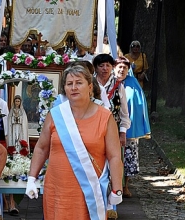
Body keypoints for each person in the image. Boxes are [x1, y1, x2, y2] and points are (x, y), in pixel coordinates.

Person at [25, 65, 123, 219]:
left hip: (89, 190)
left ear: (90, 87)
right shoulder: (56, 115)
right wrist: (31, 178)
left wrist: (117, 189)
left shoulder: (105, 117)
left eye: (79, 83)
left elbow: (114, 156)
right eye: (69, 84)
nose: (74, 87)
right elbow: (41, 148)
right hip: (57, 189)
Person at [93, 53, 131, 218]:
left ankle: (111, 206)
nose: (105, 68)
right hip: (92, 131)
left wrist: (122, 132)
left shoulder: (118, 86)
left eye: (108, 65)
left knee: (113, 167)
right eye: (101, 65)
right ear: (96, 68)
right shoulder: (90, 84)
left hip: (112, 131)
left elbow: (124, 113)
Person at [114, 56, 151, 198]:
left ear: (128, 70)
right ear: (114, 68)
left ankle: (125, 185)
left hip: (128, 127)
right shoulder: (109, 83)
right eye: (119, 67)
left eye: (125, 67)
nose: (122, 70)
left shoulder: (133, 83)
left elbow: (139, 104)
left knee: (127, 157)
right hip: (110, 125)